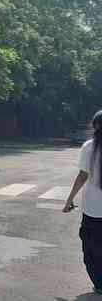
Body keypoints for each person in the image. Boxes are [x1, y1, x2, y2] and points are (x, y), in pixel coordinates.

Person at [64, 110, 102, 295]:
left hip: (94, 210)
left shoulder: (89, 146)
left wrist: (69, 200)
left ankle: (100, 284)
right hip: (94, 210)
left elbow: (82, 176)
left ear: (94, 126)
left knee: (91, 248)